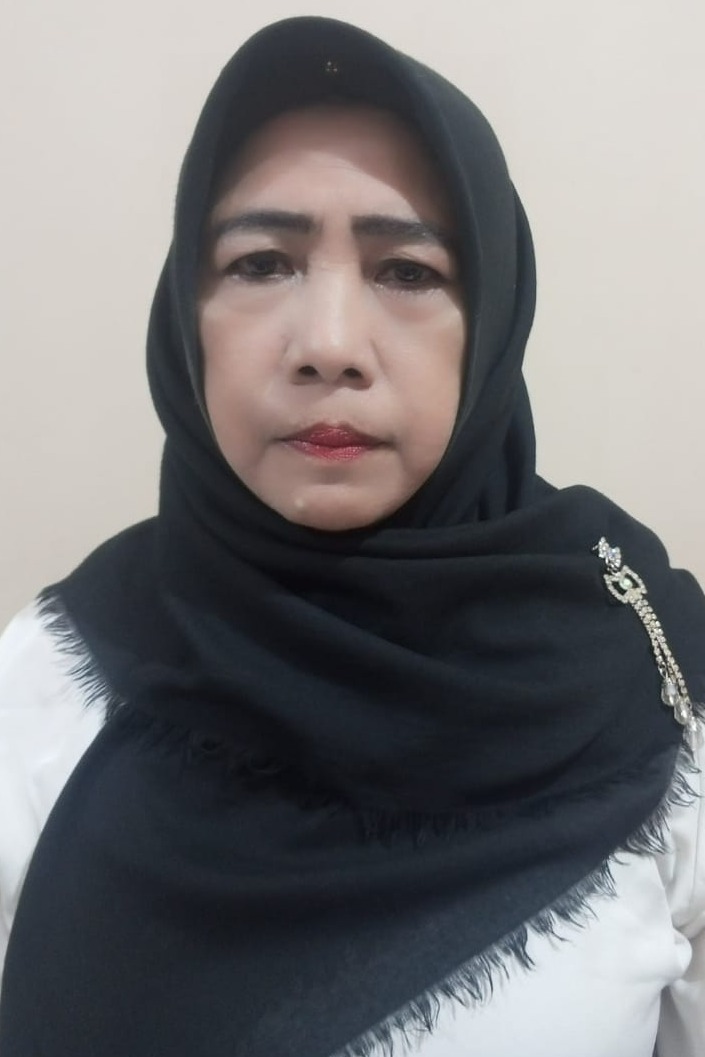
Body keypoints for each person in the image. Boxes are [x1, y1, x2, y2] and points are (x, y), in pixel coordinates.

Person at [0, 16, 703, 1057]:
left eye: (408, 272)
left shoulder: (643, 680)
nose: (328, 345)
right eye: (261, 262)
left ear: (493, 316)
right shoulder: (49, 685)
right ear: (186, 313)